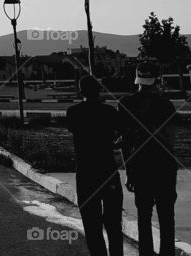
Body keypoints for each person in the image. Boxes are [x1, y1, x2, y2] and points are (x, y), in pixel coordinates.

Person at [119, 61, 179, 256]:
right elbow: (170, 139)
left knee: (143, 216)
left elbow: (125, 143)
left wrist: (128, 172)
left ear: (136, 78)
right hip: (164, 165)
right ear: (157, 80)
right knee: (166, 216)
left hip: (139, 165)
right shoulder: (166, 104)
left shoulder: (125, 104)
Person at [66, 74, 124, 256]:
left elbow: (74, 130)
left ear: (80, 91)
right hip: (107, 170)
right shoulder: (109, 112)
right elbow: (122, 133)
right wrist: (115, 143)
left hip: (85, 172)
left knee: (92, 225)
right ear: (99, 90)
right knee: (114, 223)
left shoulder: (73, 112)